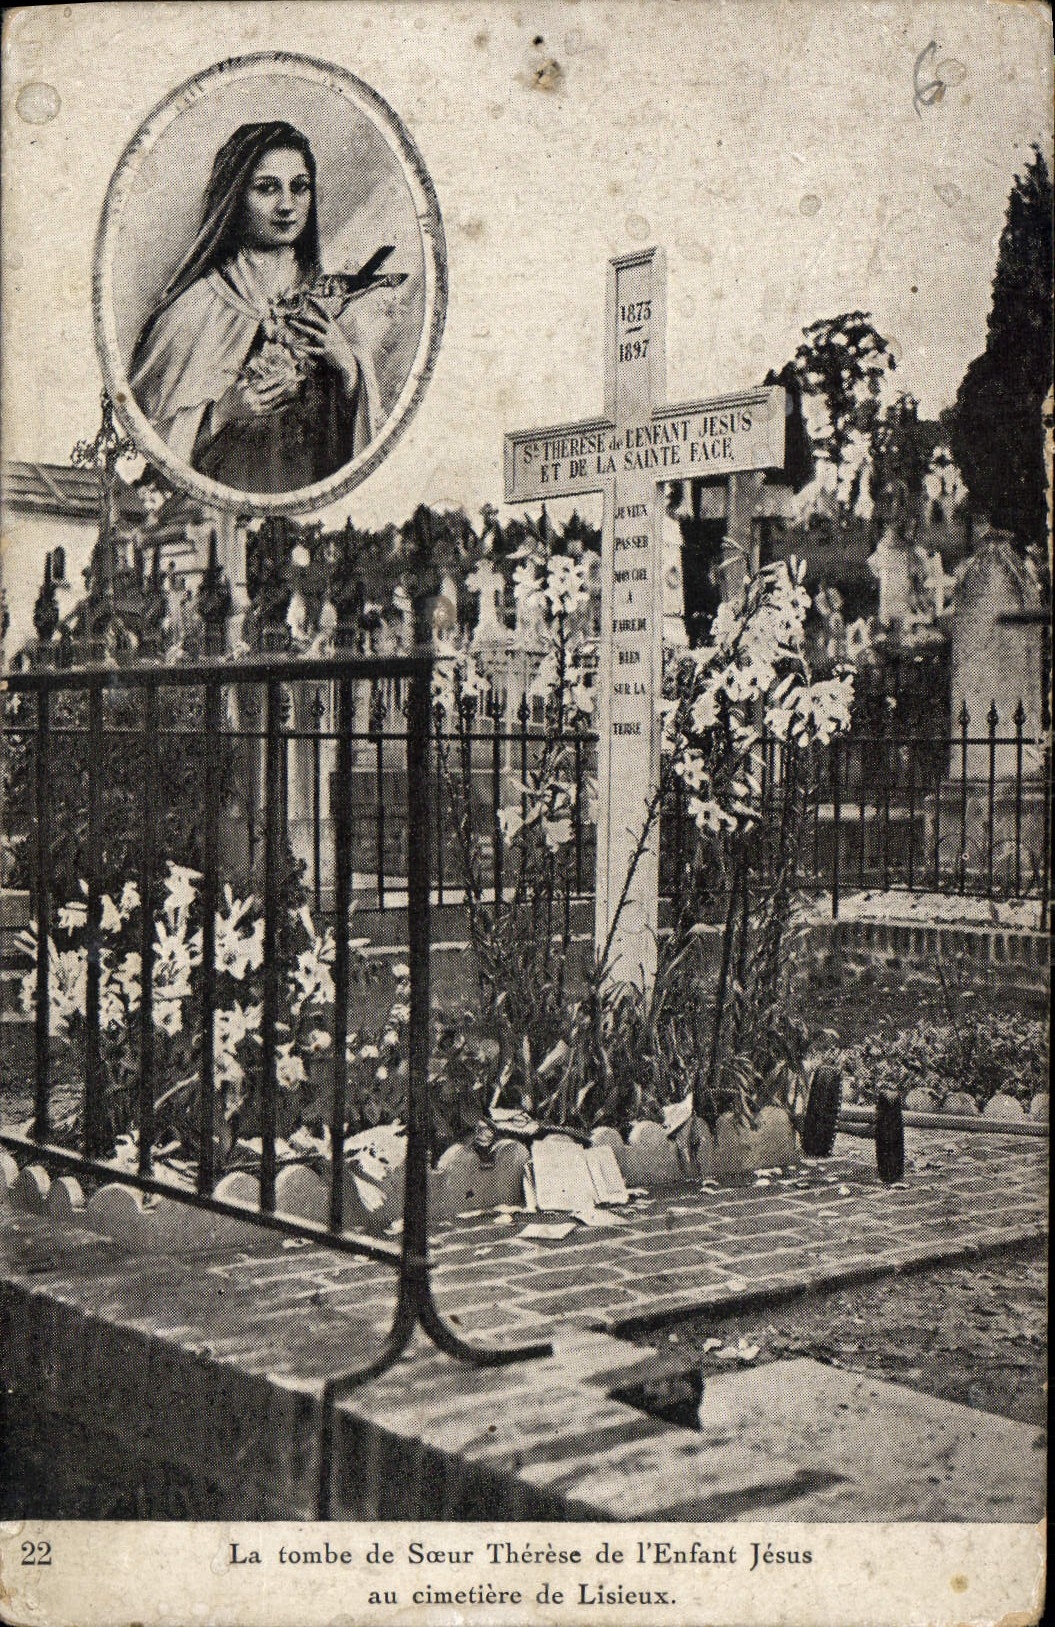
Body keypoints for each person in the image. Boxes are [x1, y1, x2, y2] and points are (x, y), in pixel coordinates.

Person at [129, 121, 380, 494]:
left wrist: (346, 367)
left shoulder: (332, 306)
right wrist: (221, 414)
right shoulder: (192, 310)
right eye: (266, 188)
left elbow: (361, 453)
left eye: (300, 187)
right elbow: (139, 454)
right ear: (234, 196)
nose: (286, 205)